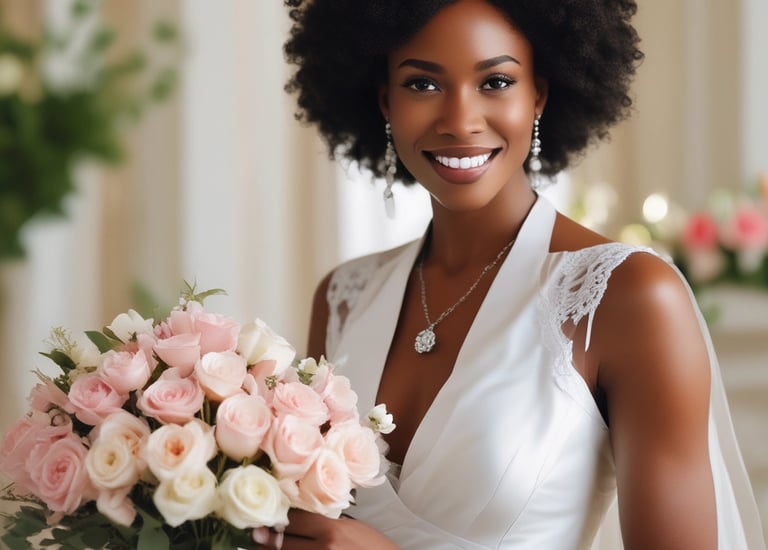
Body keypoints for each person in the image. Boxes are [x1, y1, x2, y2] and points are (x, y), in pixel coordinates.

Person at [274, 0, 766, 548]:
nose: (460, 120)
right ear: (384, 100)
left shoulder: (629, 297)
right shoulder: (345, 296)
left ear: (540, 94)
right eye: (422, 85)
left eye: (496, 81)